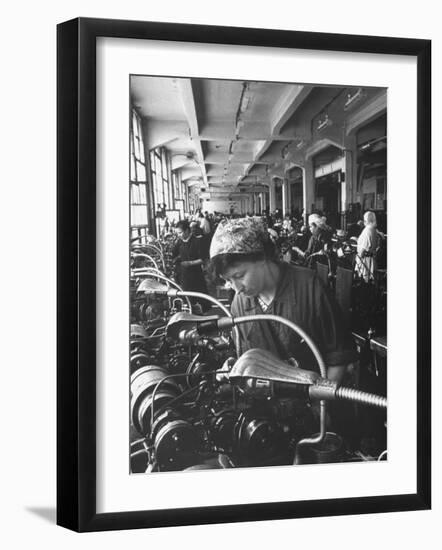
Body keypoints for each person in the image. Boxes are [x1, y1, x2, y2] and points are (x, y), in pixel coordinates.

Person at [209, 217, 356, 383]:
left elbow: (339, 357)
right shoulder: (240, 303)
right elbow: (245, 354)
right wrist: (235, 364)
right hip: (266, 404)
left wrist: (321, 402)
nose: (237, 288)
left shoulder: (309, 287)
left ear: (262, 258)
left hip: (313, 398)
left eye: (239, 276)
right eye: (228, 281)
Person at [172, 220, 209, 310]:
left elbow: (204, 259)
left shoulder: (197, 241)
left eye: (180, 232)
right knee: (187, 300)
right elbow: (174, 255)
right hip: (184, 276)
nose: (179, 235)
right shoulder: (179, 242)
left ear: (187, 231)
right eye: (177, 233)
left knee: (200, 300)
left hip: (196, 275)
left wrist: (190, 263)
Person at [354, 211, 381, 282]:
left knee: (364, 282)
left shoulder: (367, 231)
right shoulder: (374, 230)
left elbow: (362, 251)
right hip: (371, 259)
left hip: (365, 261)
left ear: (366, 220)